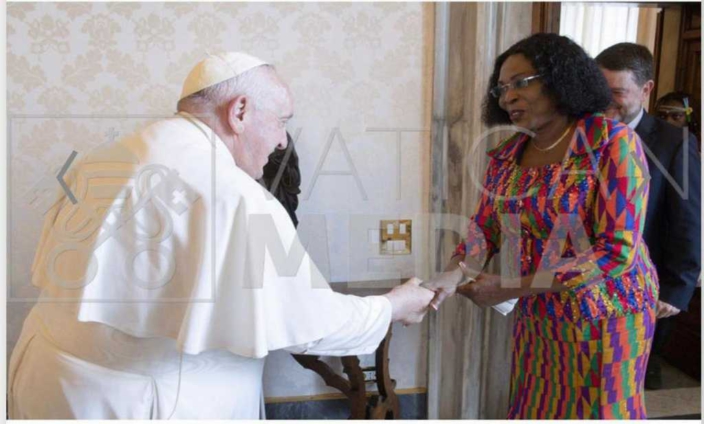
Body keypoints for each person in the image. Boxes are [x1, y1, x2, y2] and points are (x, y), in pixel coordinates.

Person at [8, 52, 434, 419]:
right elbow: (308, 323)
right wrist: (392, 305)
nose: (282, 141)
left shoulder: (103, 158)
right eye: (281, 122)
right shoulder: (235, 195)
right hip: (145, 401)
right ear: (240, 111)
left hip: (48, 377)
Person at [423, 34, 658, 419]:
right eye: (502, 88)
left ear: (560, 78)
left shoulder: (611, 142)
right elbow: (485, 228)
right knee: (537, 406)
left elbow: (616, 252)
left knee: (598, 412)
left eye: (520, 83)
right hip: (541, 310)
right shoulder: (507, 155)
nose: (507, 97)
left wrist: (510, 287)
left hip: (607, 313)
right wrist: (453, 273)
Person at [596, 43, 701, 390]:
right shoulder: (582, 133)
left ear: (646, 89)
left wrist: (677, 289)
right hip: (585, 285)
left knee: (625, 384)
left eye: (617, 92)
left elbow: (688, 219)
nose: (605, 101)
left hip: (644, 288)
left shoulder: (674, 143)